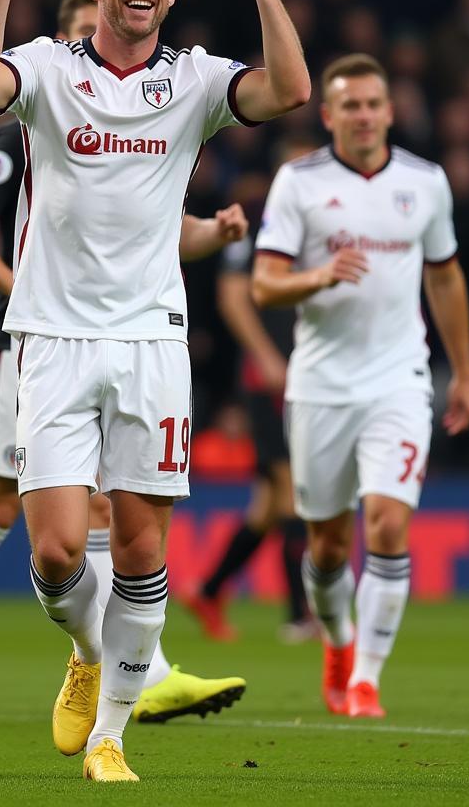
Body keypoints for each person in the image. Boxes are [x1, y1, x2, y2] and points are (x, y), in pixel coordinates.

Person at [0, 0, 310, 781]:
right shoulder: (45, 68)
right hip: (55, 338)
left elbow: (291, 92)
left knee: (144, 548)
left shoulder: (193, 81)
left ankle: (110, 736)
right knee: (56, 553)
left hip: (152, 342)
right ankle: (85, 651)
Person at [0, 0, 249, 726]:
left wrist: (213, 234)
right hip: (27, 340)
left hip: (126, 338)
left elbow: (160, 231)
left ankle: (133, 675)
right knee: (1, 507)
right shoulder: (23, 127)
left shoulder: (154, 109)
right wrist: (32, 288)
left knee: (108, 511)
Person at [252, 52, 469, 718]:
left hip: (399, 379)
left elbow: (444, 276)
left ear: (390, 111)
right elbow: (265, 284)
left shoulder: (426, 182)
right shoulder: (298, 183)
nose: (364, 115)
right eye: (350, 105)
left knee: (385, 523)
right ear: (328, 115)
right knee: (324, 543)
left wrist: (462, 371)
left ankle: (367, 680)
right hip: (320, 384)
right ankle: (339, 641)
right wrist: (317, 277)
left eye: (373, 103)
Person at [185, 140, 318, 644]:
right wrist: (266, 356)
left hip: (306, 375)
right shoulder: (263, 224)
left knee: (267, 507)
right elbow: (232, 296)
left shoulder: (319, 228)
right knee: (291, 492)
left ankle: (210, 588)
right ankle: (300, 613)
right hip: (270, 380)